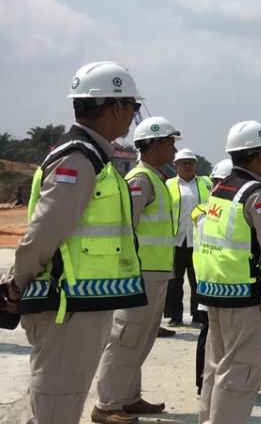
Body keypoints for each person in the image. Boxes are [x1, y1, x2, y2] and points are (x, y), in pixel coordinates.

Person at [1, 62, 147, 424]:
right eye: (132, 107)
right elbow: (45, 230)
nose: (132, 116)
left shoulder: (94, 157)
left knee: (61, 403)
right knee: (56, 406)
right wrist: (16, 283)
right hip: (68, 305)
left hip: (82, 301)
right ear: (115, 106)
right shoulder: (79, 159)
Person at [195, 121, 261, 424]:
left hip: (215, 290)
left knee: (216, 368)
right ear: (256, 155)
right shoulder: (257, 194)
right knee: (241, 373)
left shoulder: (221, 189)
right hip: (245, 297)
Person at [92, 116, 183, 422]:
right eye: (170, 143)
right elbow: (126, 225)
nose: (174, 149)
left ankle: (128, 397)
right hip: (139, 274)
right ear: (155, 144)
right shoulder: (141, 179)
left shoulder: (156, 177)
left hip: (156, 273)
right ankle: (106, 405)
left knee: (141, 340)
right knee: (125, 340)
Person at [193, 159, 233, 395]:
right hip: (211, 281)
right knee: (210, 336)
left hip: (221, 283)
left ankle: (213, 381)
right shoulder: (207, 213)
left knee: (218, 338)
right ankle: (204, 381)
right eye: (216, 183)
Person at [165, 147, 211, 327]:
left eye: (191, 163)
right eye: (183, 163)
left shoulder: (206, 183)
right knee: (174, 281)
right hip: (176, 239)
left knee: (197, 279)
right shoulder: (169, 185)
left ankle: (198, 314)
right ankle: (175, 316)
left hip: (198, 239)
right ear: (176, 166)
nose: (188, 166)